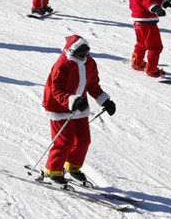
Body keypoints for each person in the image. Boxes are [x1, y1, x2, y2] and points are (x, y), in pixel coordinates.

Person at [41, 35, 116, 186]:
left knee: (83, 140)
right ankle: (51, 171)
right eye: (81, 54)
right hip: (58, 106)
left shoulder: (90, 63)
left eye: (87, 53)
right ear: (72, 51)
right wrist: (71, 100)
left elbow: (93, 84)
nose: (84, 57)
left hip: (80, 105)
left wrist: (104, 100)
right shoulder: (62, 65)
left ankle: (73, 167)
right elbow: (56, 90)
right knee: (65, 141)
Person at [128, 0, 171, 78]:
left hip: (138, 20)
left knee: (142, 43)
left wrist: (164, 2)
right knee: (155, 46)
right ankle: (151, 69)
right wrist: (155, 8)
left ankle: (137, 62)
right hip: (146, 20)